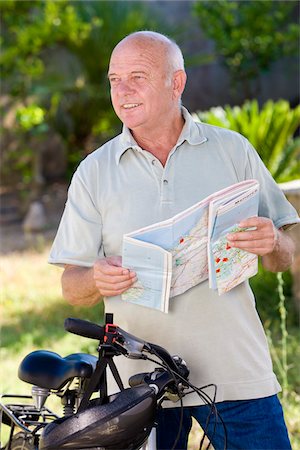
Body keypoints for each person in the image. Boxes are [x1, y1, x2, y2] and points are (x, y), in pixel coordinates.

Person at [49, 31, 299, 449]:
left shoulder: (232, 150)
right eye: (114, 79)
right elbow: (71, 287)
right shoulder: (94, 171)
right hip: (139, 384)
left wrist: (273, 241)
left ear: (176, 82)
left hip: (237, 372)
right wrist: (96, 277)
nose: (122, 91)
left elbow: (285, 253)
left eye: (137, 77)